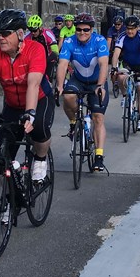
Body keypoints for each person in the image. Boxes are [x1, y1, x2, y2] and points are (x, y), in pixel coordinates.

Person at [0, 9, 54, 183]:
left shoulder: (35, 49)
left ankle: (41, 160)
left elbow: (33, 84)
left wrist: (30, 112)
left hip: (40, 99)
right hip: (12, 105)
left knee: (39, 128)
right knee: (3, 157)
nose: (1, 37)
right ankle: (8, 200)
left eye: (6, 33)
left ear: (20, 34)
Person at [55, 12, 110, 171]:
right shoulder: (69, 41)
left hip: (96, 82)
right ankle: (73, 124)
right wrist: (59, 85)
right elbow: (62, 64)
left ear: (92, 30)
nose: (82, 33)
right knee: (68, 96)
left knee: (98, 117)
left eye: (86, 30)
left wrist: (100, 85)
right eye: (79, 29)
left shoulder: (99, 41)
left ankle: (99, 156)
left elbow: (103, 64)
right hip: (78, 80)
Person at [110, 16, 140, 131]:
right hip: (127, 63)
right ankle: (124, 96)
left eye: (132, 28)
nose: (130, 31)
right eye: (128, 28)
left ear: (137, 28)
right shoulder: (122, 36)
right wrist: (113, 67)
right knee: (121, 77)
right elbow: (116, 53)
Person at [28, 13, 59, 82]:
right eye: (30, 30)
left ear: (40, 28)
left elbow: (55, 51)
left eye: (34, 30)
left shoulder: (47, 33)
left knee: (48, 79)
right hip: (36, 60)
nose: (32, 33)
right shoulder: (28, 36)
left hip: (48, 58)